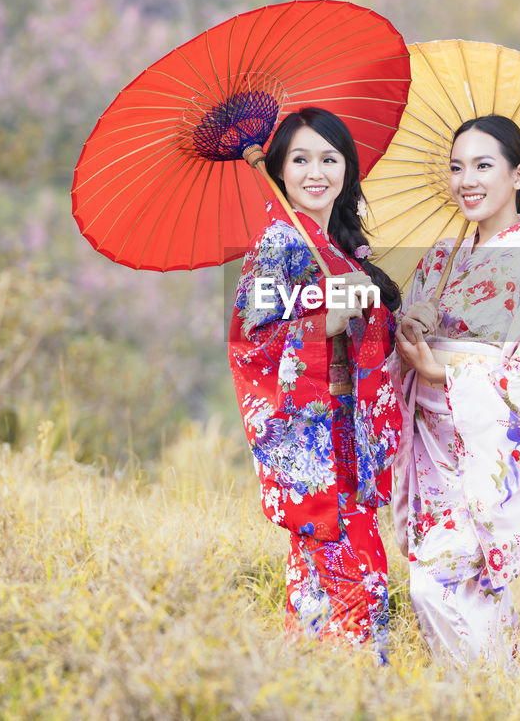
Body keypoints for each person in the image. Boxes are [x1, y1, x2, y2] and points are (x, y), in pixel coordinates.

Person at [394, 114, 520, 665]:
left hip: (489, 447)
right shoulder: (443, 256)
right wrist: (413, 327)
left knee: (437, 586)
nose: (465, 180)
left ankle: (486, 693)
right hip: (432, 447)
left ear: (518, 175)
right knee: (468, 596)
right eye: (456, 167)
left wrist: (442, 373)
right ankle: (494, 696)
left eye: (482, 166)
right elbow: (407, 335)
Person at [228, 106, 403, 663]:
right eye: (300, 159)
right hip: (316, 446)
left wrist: (388, 320)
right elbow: (252, 341)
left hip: (349, 438)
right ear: (279, 169)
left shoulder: (336, 251)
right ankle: (338, 691)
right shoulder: (274, 250)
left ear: (348, 169)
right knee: (342, 582)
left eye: (329, 158)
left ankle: (318, 692)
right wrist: (323, 323)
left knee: (350, 582)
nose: (315, 172)